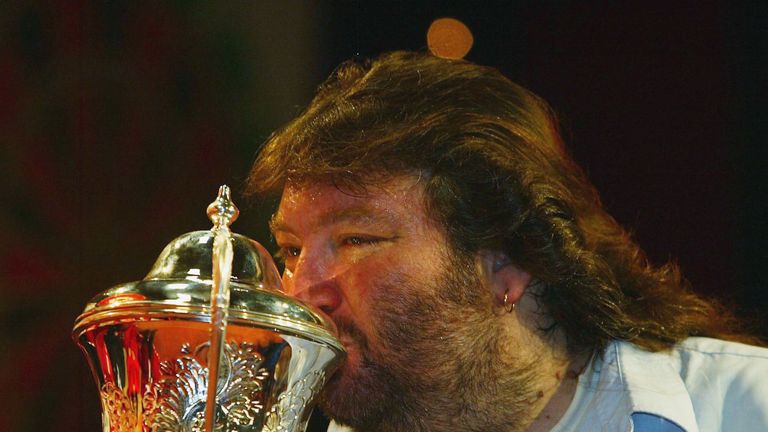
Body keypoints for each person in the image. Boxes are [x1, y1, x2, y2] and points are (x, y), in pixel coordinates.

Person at [246, 51, 768, 432]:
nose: (301, 292)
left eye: (357, 239)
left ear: (508, 262)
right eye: (291, 250)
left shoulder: (743, 410)